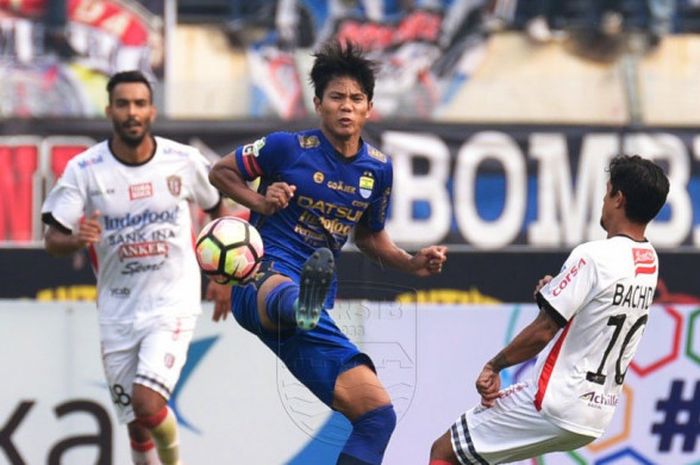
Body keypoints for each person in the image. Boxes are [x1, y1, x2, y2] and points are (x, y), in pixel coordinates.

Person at [209, 40, 448, 465]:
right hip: (262, 282)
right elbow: (221, 171)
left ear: (369, 108)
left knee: (378, 416)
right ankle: (299, 303)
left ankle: (304, 306)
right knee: (285, 291)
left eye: (356, 99)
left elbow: (371, 237)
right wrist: (261, 202)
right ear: (318, 104)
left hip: (312, 312)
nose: (346, 106)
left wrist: (412, 263)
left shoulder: (377, 169)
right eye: (336, 97)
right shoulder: (286, 148)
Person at [41, 70, 231, 465]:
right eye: (123, 104)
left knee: (147, 403)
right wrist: (76, 239)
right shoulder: (84, 169)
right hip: (117, 311)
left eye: (140, 104)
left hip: (172, 303)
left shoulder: (182, 160)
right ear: (110, 109)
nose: (132, 112)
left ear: (152, 110)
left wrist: (220, 275)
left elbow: (215, 206)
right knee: (135, 423)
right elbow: (52, 239)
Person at [429, 154, 669, 465]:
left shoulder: (593, 256)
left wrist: (494, 365)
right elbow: (600, 309)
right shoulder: (649, 260)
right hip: (596, 413)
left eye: (607, 191)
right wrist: (554, 293)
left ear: (618, 198)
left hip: (554, 400)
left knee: (444, 452)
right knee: (476, 457)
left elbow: (545, 329)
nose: (603, 201)